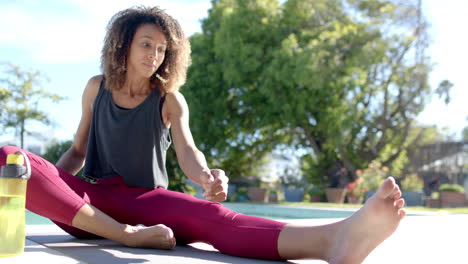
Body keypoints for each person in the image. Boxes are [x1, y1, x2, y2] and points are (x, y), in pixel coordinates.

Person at [0, 6, 406, 263]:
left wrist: (206, 177)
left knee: (213, 218)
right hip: (91, 207)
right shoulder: (96, 87)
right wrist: (50, 183)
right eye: (145, 44)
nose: (153, 55)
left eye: (161, 49)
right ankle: (126, 237)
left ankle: (332, 240)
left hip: (148, 204)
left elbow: (188, 153)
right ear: (123, 45)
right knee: (10, 155)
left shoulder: (169, 100)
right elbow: (76, 150)